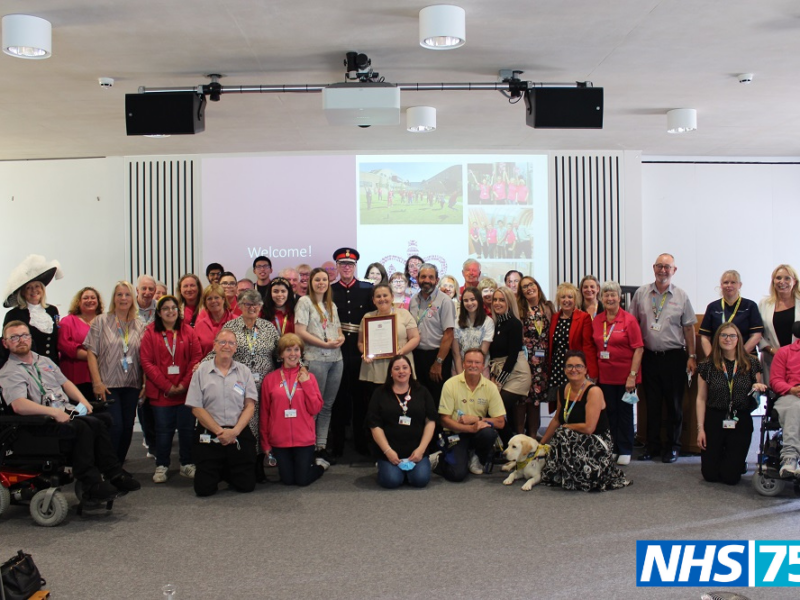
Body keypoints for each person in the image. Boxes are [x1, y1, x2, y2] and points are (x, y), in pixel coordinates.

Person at [0, 321, 141, 501]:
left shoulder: (43, 361)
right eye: (14, 337)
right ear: (5, 343)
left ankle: (114, 473)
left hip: (64, 412)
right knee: (83, 427)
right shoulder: (9, 372)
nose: (21, 340)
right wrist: (53, 413)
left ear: (30, 338)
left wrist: (84, 401)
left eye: (24, 335)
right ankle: (90, 483)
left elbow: (65, 383)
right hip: (40, 422)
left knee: (101, 419)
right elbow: (19, 405)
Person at [204, 289, 280, 481]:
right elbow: (219, 349)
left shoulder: (269, 328)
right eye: (247, 304)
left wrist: (300, 366)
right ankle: (244, 464)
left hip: (265, 385)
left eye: (256, 305)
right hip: (239, 385)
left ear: (261, 307)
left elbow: (281, 352)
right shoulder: (231, 327)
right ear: (240, 306)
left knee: (263, 423)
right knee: (245, 423)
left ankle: (260, 464)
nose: (252, 308)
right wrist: (202, 363)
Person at [629, 253, 697, 464]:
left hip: (674, 357)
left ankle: (673, 446)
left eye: (667, 267)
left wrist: (692, 356)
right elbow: (632, 324)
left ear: (674, 270)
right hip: (649, 357)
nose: (663, 270)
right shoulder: (641, 293)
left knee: (674, 404)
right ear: (654, 268)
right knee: (652, 404)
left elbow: (689, 329)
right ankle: (652, 446)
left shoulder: (681, 296)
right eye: (660, 266)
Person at [539, 350, 631, 492]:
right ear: (564, 369)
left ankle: (578, 476)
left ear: (586, 369)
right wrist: (540, 445)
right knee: (562, 434)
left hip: (596, 440)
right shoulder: (562, 389)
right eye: (569, 366)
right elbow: (557, 419)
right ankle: (567, 473)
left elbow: (589, 428)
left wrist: (567, 426)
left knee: (564, 433)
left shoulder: (594, 391)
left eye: (578, 366)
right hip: (573, 437)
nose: (574, 369)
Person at [185, 329, 258, 497]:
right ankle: (219, 470)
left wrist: (234, 432)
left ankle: (225, 470)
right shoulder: (201, 371)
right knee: (203, 490)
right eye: (222, 342)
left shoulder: (244, 371)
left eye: (231, 343)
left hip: (237, 432)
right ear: (214, 345)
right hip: (210, 432)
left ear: (236, 347)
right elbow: (196, 407)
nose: (227, 346)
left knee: (246, 486)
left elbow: (250, 406)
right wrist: (220, 432)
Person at [140, 295, 202, 483]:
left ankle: (186, 464)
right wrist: (167, 386)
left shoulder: (188, 331)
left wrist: (183, 384)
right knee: (163, 431)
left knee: (187, 430)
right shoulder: (150, 332)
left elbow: (196, 358)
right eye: (165, 308)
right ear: (159, 313)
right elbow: (147, 362)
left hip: (186, 392)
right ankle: (162, 465)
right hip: (161, 393)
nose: (170, 311)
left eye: (173, 308)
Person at [84, 281, 146, 463]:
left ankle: (118, 465)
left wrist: (145, 383)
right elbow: (91, 353)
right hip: (108, 385)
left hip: (132, 384)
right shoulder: (101, 321)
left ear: (132, 299)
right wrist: (96, 382)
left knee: (127, 427)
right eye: (119, 294)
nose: (123, 298)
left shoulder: (139, 325)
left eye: (127, 295)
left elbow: (144, 357)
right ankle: (107, 466)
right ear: (114, 298)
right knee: (115, 426)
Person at [696, 324, 765, 484]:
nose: (728, 339)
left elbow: (757, 393)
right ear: (717, 339)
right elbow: (701, 398)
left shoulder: (751, 363)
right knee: (710, 475)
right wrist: (700, 429)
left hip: (740, 418)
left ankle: (736, 462)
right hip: (715, 417)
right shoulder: (707, 365)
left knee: (730, 478)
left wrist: (757, 387)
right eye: (724, 335)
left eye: (732, 335)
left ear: (738, 339)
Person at [259, 333, 329, 486]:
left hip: (304, 440)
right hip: (279, 440)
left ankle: (321, 466)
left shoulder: (309, 377)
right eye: (288, 350)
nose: (293, 354)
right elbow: (265, 413)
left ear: (301, 353)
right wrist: (265, 443)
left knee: (302, 480)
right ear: (281, 354)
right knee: (288, 480)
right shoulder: (270, 379)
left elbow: (315, 408)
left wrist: (306, 384)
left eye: (296, 350)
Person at [591, 281, 644, 465]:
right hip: (605, 377)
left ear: (619, 297)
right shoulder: (597, 320)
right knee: (609, 413)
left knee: (625, 413)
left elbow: (638, 349)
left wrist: (632, 376)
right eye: (606, 295)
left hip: (626, 378)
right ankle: (613, 447)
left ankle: (625, 449)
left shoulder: (629, 320)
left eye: (613, 295)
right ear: (601, 298)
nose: (610, 298)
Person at [296, 268, 345, 463]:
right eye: (317, 280)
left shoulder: (331, 304)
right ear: (311, 282)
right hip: (315, 358)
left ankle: (321, 446)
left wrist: (341, 338)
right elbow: (300, 331)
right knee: (314, 405)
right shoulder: (304, 302)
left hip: (336, 359)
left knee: (327, 405)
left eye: (324, 279)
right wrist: (324, 344)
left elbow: (338, 329)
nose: (321, 283)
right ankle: (309, 445)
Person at [435, 348, 506, 482]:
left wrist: (477, 419)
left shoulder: (490, 387)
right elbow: (444, 420)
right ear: (463, 364)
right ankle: (441, 459)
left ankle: (476, 456)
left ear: (483, 366)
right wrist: (470, 428)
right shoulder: (450, 384)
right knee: (457, 475)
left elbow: (500, 422)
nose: (473, 365)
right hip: (456, 433)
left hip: (478, 433)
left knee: (489, 433)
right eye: (469, 362)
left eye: (477, 362)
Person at [367, 355, 437, 489]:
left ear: (410, 371)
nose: (401, 371)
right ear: (391, 372)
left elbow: (431, 421)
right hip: (390, 450)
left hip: (416, 450)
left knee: (420, 480)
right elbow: (374, 425)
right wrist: (388, 451)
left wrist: (421, 449)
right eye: (397, 368)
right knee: (391, 481)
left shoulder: (422, 391)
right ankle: (388, 467)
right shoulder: (380, 393)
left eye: (405, 368)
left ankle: (413, 468)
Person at [330, 248, 374, 456]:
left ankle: (361, 442)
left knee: (360, 399)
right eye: (342, 264)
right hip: (337, 351)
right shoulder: (330, 290)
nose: (346, 267)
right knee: (338, 398)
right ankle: (337, 444)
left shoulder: (367, 289)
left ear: (355, 267)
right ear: (337, 267)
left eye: (350, 264)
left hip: (359, 350)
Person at [358, 283, 420, 406]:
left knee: (401, 405)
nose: (382, 299)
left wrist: (400, 353)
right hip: (374, 369)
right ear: (373, 300)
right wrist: (366, 353)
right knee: (377, 406)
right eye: (378, 296)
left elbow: (415, 338)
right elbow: (360, 343)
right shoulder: (367, 317)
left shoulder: (404, 314)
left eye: (385, 295)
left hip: (400, 366)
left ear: (392, 297)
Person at [489, 287, 532, 442]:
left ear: (509, 302)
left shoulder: (514, 324)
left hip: (517, 373)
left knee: (496, 410)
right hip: (501, 371)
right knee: (496, 411)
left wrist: (499, 381)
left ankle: (511, 445)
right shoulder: (495, 323)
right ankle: (509, 445)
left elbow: (512, 356)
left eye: (502, 300)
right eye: (495, 300)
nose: (497, 303)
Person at [2, 254, 63, 364]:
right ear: (23, 293)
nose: (34, 290)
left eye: (37, 286)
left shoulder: (53, 311)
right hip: (25, 367)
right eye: (28, 287)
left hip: (52, 367)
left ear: (42, 289)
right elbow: (6, 344)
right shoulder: (14, 314)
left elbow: (57, 336)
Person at [409, 263, 455, 404]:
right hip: (417, 356)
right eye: (423, 277)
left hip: (437, 356)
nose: (427, 280)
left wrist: (438, 362)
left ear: (436, 280)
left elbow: (449, 334)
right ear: (417, 279)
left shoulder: (445, 301)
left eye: (431, 277)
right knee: (418, 399)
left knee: (436, 399)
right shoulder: (413, 300)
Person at [548, 283, 598, 410]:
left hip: (575, 367)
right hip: (557, 366)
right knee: (560, 402)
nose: (566, 300)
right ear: (558, 299)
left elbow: (588, 346)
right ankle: (560, 422)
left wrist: (591, 371)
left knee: (575, 401)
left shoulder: (584, 318)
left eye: (570, 297)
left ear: (575, 299)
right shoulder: (554, 317)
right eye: (563, 297)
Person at [518, 276, 554, 437]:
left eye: (531, 284)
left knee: (535, 398)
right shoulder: (519, 309)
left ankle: (532, 435)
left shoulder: (547, 307)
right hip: (524, 359)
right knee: (521, 397)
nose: (528, 288)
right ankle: (519, 435)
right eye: (524, 287)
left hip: (542, 361)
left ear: (537, 286)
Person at [699, 270, 763, 357]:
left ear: (740, 285)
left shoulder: (750, 306)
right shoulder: (712, 307)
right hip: (718, 357)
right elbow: (705, 337)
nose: (729, 285)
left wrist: (739, 356)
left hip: (745, 356)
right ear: (721, 285)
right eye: (726, 282)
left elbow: (756, 335)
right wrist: (711, 359)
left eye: (733, 282)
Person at [58, 287, 103, 401]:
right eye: (85, 298)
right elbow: (64, 344)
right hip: (76, 376)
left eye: (93, 298)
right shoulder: (68, 321)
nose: (90, 300)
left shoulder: (105, 321)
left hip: (102, 375)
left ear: (98, 301)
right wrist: (91, 357)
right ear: (78, 302)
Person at [758, 264, 800, 384]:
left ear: (794, 281)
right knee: (775, 391)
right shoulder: (764, 304)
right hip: (772, 359)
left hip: (797, 361)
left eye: (787, 278)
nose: (782, 282)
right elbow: (757, 334)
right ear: (773, 281)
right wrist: (772, 350)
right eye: (778, 278)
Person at [135, 274, 158, 452]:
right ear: (137, 290)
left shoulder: (160, 308)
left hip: (154, 362)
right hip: (132, 361)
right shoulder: (129, 308)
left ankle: (154, 443)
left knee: (151, 403)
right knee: (140, 401)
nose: (147, 292)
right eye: (144, 288)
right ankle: (148, 438)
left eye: (151, 289)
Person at [452, 287, 494, 375]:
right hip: (459, 368)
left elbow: (483, 353)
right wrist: (461, 376)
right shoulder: (456, 322)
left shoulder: (488, 322)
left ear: (479, 300)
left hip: (481, 369)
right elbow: (456, 354)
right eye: (466, 300)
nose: (469, 303)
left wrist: (475, 374)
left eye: (472, 299)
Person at [194, 283, 234, 356]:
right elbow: (197, 353)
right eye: (209, 299)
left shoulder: (237, 321)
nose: (213, 301)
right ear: (205, 303)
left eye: (216, 297)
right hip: (207, 363)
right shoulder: (199, 326)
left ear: (223, 299)